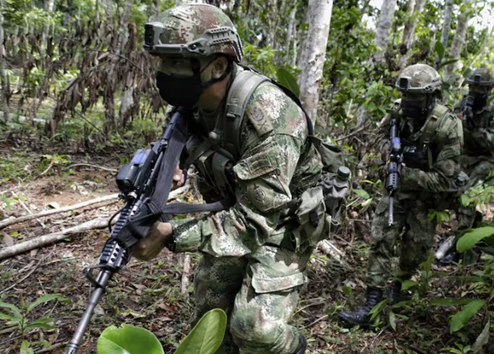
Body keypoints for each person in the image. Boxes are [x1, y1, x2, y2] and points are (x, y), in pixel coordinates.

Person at [132, 4, 345, 354]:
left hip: (284, 221)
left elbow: (255, 223)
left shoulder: (270, 116)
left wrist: (170, 233)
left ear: (217, 66)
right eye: (162, 62)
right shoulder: (195, 102)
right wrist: (173, 163)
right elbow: (188, 140)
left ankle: (294, 348)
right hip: (237, 208)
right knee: (211, 313)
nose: (165, 73)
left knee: (254, 329)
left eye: (177, 63)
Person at [338, 63, 464, 328]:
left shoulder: (447, 126)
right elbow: (379, 134)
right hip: (398, 189)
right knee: (381, 239)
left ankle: (399, 292)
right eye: (404, 95)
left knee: (415, 250)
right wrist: (388, 154)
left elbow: (445, 179)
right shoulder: (398, 111)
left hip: (428, 195)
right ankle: (371, 307)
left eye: (414, 97)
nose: (406, 101)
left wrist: (408, 173)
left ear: (430, 97)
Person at [440, 68, 494, 265]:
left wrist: (475, 129)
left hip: (485, 160)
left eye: (480, 88)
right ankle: (472, 226)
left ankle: (458, 247)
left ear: (489, 90)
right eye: (472, 86)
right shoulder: (464, 104)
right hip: (463, 157)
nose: (475, 91)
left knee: (467, 194)